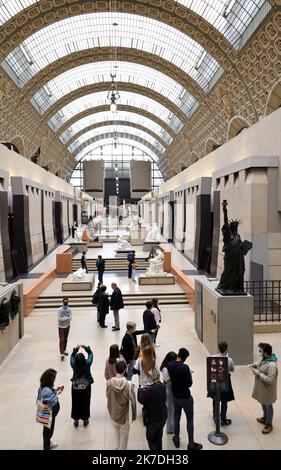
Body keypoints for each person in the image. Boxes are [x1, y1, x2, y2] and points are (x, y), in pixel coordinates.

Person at [167, 348, 202, 450]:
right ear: (185, 358)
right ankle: (191, 444)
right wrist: (189, 375)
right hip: (186, 398)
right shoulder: (185, 368)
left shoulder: (170, 365)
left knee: (176, 418)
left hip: (175, 396)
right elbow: (189, 384)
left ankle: (176, 439)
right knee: (190, 419)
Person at [216, 199, 252, 295]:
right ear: (231, 228)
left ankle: (235, 288)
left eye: (237, 227)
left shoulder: (238, 236)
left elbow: (240, 245)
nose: (236, 228)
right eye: (234, 227)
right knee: (228, 272)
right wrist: (224, 209)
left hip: (238, 258)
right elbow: (225, 221)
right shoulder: (228, 234)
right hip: (230, 258)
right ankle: (223, 286)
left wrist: (244, 246)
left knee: (238, 273)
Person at [106, 361, 136, 450]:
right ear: (125, 370)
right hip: (124, 416)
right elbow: (133, 402)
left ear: (116, 369)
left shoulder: (109, 383)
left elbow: (108, 396)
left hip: (113, 413)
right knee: (124, 437)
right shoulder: (129, 385)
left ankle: (116, 447)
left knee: (116, 434)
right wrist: (133, 416)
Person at [250, 342, 278, 434]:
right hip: (262, 389)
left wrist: (259, 373)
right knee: (262, 402)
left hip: (268, 391)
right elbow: (260, 362)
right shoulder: (264, 357)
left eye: (260, 351)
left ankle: (269, 424)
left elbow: (270, 380)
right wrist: (255, 365)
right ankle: (265, 417)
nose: (260, 353)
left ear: (266, 352)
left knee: (268, 405)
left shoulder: (272, 366)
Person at [138, 368, 167, 450]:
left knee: (151, 439)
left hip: (152, 418)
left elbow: (141, 400)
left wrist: (140, 389)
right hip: (163, 416)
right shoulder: (163, 386)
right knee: (159, 438)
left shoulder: (149, 390)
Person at [207, 341, 235, 425]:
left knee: (216, 399)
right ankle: (223, 418)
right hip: (225, 381)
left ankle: (215, 416)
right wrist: (227, 357)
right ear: (226, 349)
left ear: (219, 348)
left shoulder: (213, 357)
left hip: (215, 381)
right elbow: (232, 369)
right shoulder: (229, 360)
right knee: (224, 400)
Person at [37, 368, 63, 450]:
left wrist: (55, 391)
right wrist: (57, 394)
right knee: (48, 431)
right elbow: (50, 402)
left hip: (47, 413)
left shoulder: (43, 387)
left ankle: (48, 442)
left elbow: (46, 397)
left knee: (47, 429)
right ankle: (47, 446)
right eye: (54, 379)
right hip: (49, 413)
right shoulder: (46, 390)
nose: (54, 380)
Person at [70, 345, 94, 428]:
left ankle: (76, 420)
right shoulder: (87, 363)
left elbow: (72, 356)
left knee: (75, 402)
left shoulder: (74, 364)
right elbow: (90, 354)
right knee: (86, 402)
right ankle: (85, 419)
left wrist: (76, 349)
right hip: (86, 386)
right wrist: (86, 348)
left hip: (75, 386)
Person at [160, 351, 177, 434]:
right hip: (168, 390)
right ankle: (169, 428)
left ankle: (173, 425)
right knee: (170, 410)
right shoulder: (165, 369)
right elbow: (169, 382)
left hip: (172, 390)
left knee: (173, 409)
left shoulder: (170, 367)